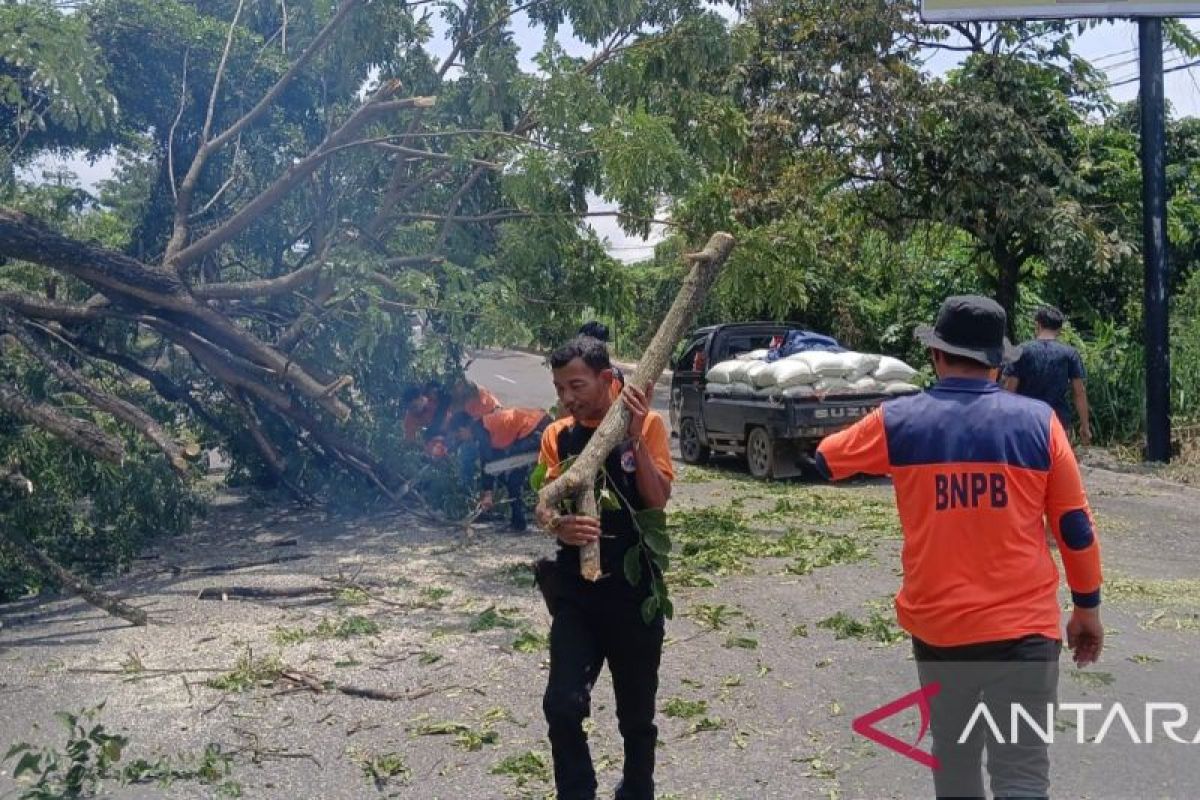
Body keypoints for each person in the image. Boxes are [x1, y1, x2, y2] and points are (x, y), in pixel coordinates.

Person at [815, 295, 1104, 799]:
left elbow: (826, 459)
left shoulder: (899, 421)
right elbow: (1075, 526)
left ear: (935, 356)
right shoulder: (1040, 424)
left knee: (955, 766)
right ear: (998, 362)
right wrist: (1086, 608)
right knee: (1021, 775)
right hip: (1025, 633)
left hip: (941, 633)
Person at [534, 336, 674, 800]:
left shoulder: (647, 423)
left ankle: (637, 790)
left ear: (607, 379)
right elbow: (543, 504)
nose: (568, 398)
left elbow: (657, 503)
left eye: (576, 385)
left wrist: (633, 437)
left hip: (634, 594)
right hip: (576, 593)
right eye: (559, 388)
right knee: (561, 705)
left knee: (636, 715)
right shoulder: (557, 434)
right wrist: (559, 526)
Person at [447, 407, 551, 532]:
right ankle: (518, 523)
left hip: (536, 429)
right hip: (529, 432)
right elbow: (494, 462)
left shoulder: (479, 430)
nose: (461, 439)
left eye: (459, 435)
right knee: (512, 481)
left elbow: (487, 460)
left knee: (513, 467)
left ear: (463, 429)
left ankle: (520, 521)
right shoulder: (487, 430)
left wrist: (488, 493)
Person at [1002, 305, 1092, 445]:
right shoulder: (1069, 354)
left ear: (1037, 324)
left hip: (1025, 422)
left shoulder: (1021, 350)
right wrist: (1085, 426)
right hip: (1057, 422)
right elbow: (1079, 392)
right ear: (1059, 329)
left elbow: (1009, 389)